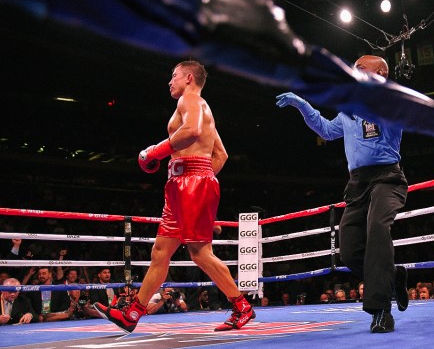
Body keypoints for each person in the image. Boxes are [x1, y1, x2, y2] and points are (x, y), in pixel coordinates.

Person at [94, 60, 254, 333]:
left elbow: (191, 132)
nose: (170, 81)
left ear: (189, 77)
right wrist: (201, 178)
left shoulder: (190, 100)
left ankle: (242, 306)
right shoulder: (202, 108)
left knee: (200, 253)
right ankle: (132, 313)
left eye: (174, 75)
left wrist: (155, 152)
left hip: (190, 184)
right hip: (184, 185)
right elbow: (221, 155)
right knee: (160, 251)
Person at [276, 55, 408, 333]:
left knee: (377, 228)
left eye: (359, 69)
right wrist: (302, 105)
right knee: (348, 252)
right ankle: (394, 275)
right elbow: (326, 130)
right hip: (357, 183)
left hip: (387, 178)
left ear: (379, 74)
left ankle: (381, 311)